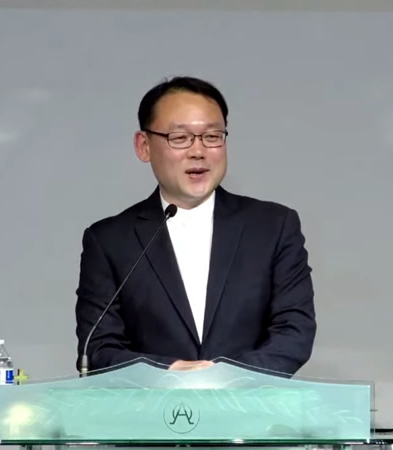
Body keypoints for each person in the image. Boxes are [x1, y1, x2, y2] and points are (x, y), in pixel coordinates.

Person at [74, 76, 316, 376]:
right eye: (180, 138)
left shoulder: (273, 227)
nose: (198, 151)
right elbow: (98, 347)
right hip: (150, 404)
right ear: (144, 146)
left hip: (251, 402)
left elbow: (294, 332)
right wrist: (168, 371)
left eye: (212, 136)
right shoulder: (109, 241)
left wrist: (225, 376)